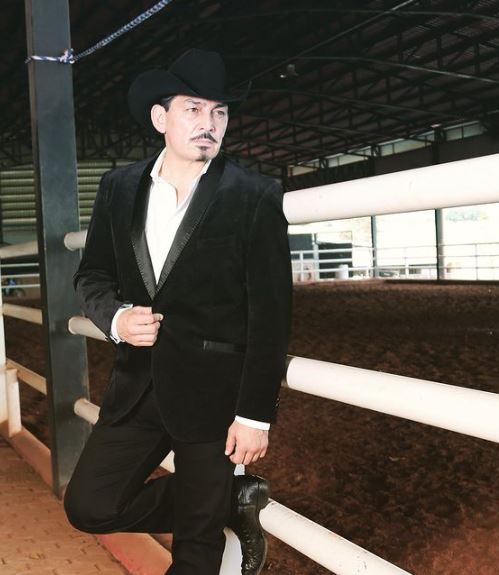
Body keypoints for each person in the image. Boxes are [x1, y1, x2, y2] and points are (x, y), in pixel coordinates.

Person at [63, 48, 293, 575]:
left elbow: (271, 314)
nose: (208, 123)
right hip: (137, 387)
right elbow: (92, 275)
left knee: (195, 553)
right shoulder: (118, 187)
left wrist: (255, 415)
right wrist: (117, 319)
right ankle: (222, 502)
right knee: (90, 505)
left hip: (215, 394)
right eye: (193, 109)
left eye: (219, 112)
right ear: (159, 117)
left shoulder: (254, 194)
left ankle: (205, 509)